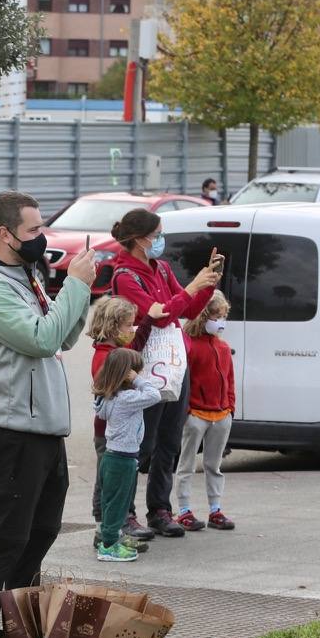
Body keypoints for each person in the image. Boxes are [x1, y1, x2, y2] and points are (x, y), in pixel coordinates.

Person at [0, 190, 94, 638]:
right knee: (5, 538)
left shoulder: (25, 275)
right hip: (13, 431)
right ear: (4, 234)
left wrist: (79, 291)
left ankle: (17, 624)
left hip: (44, 430)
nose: (42, 238)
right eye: (34, 230)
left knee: (41, 530)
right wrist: (75, 289)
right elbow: (41, 340)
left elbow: (61, 336)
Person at [108, 208, 220, 538]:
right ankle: (123, 515)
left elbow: (185, 308)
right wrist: (191, 288)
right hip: (143, 366)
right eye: (157, 235)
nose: (161, 240)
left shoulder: (162, 268)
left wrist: (207, 285)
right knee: (139, 443)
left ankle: (159, 508)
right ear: (141, 239)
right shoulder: (125, 277)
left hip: (173, 364)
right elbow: (155, 315)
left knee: (169, 441)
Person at [85, 297, 151, 550]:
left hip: (113, 430)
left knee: (112, 482)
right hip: (111, 432)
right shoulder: (107, 357)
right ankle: (106, 530)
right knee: (109, 484)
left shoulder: (111, 353)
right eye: (127, 326)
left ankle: (111, 528)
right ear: (113, 326)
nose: (130, 331)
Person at [175, 291, 237, 532]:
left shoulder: (223, 348)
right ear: (203, 317)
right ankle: (183, 510)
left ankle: (215, 509)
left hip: (221, 414)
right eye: (216, 316)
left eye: (223, 316)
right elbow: (185, 381)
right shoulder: (191, 346)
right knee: (187, 464)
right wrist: (189, 410)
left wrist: (230, 406)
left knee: (214, 465)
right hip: (197, 414)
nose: (220, 321)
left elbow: (229, 380)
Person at [93, 348, 162, 562]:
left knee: (111, 501)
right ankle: (108, 546)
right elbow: (155, 394)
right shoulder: (127, 398)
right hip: (122, 458)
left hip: (114, 456)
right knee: (117, 504)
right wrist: (139, 380)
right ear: (127, 374)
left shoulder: (108, 397)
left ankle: (111, 537)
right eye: (135, 372)